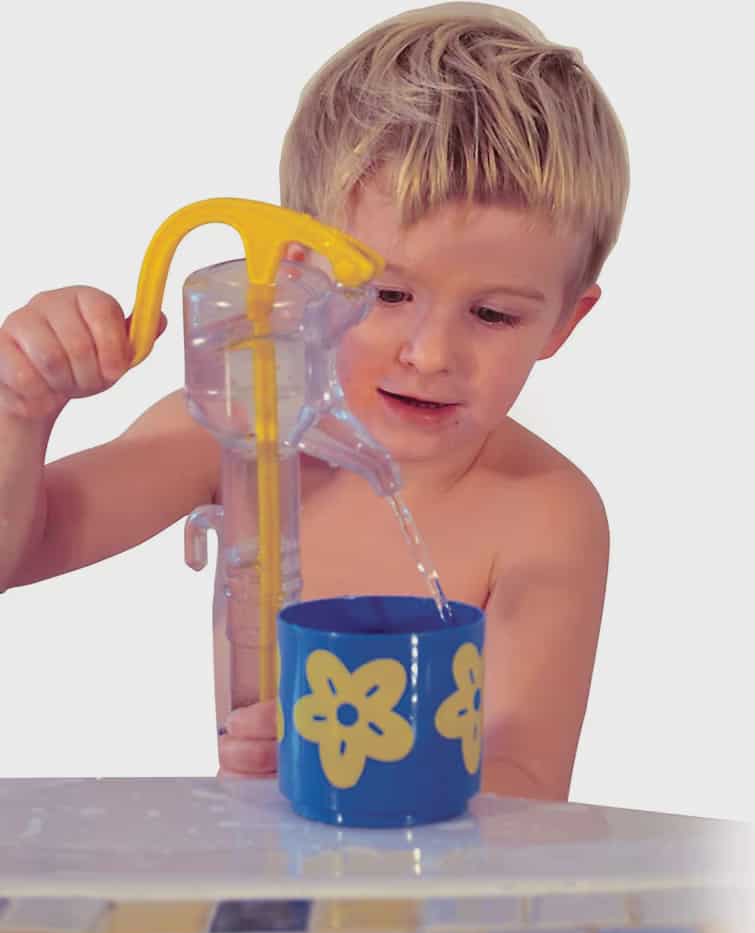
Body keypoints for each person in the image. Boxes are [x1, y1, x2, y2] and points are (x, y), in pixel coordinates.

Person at [0, 2, 628, 800]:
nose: (431, 355)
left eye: (493, 313)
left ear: (564, 321)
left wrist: (351, 769)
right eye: (390, 293)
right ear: (296, 270)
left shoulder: (545, 514)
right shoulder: (242, 429)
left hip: (442, 905)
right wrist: (20, 409)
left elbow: (530, 787)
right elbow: (17, 551)